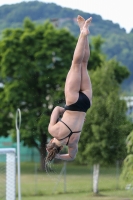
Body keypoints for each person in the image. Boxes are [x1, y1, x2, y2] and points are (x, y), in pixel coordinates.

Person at [46, 15, 92, 163]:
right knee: (76, 63)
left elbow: (71, 157)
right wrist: (65, 113)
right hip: (72, 102)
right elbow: (57, 109)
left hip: (85, 104)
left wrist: (57, 156)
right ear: (52, 141)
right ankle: (83, 33)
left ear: (59, 148)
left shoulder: (72, 143)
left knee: (84, 64)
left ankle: (83, 31)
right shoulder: (54, 131)